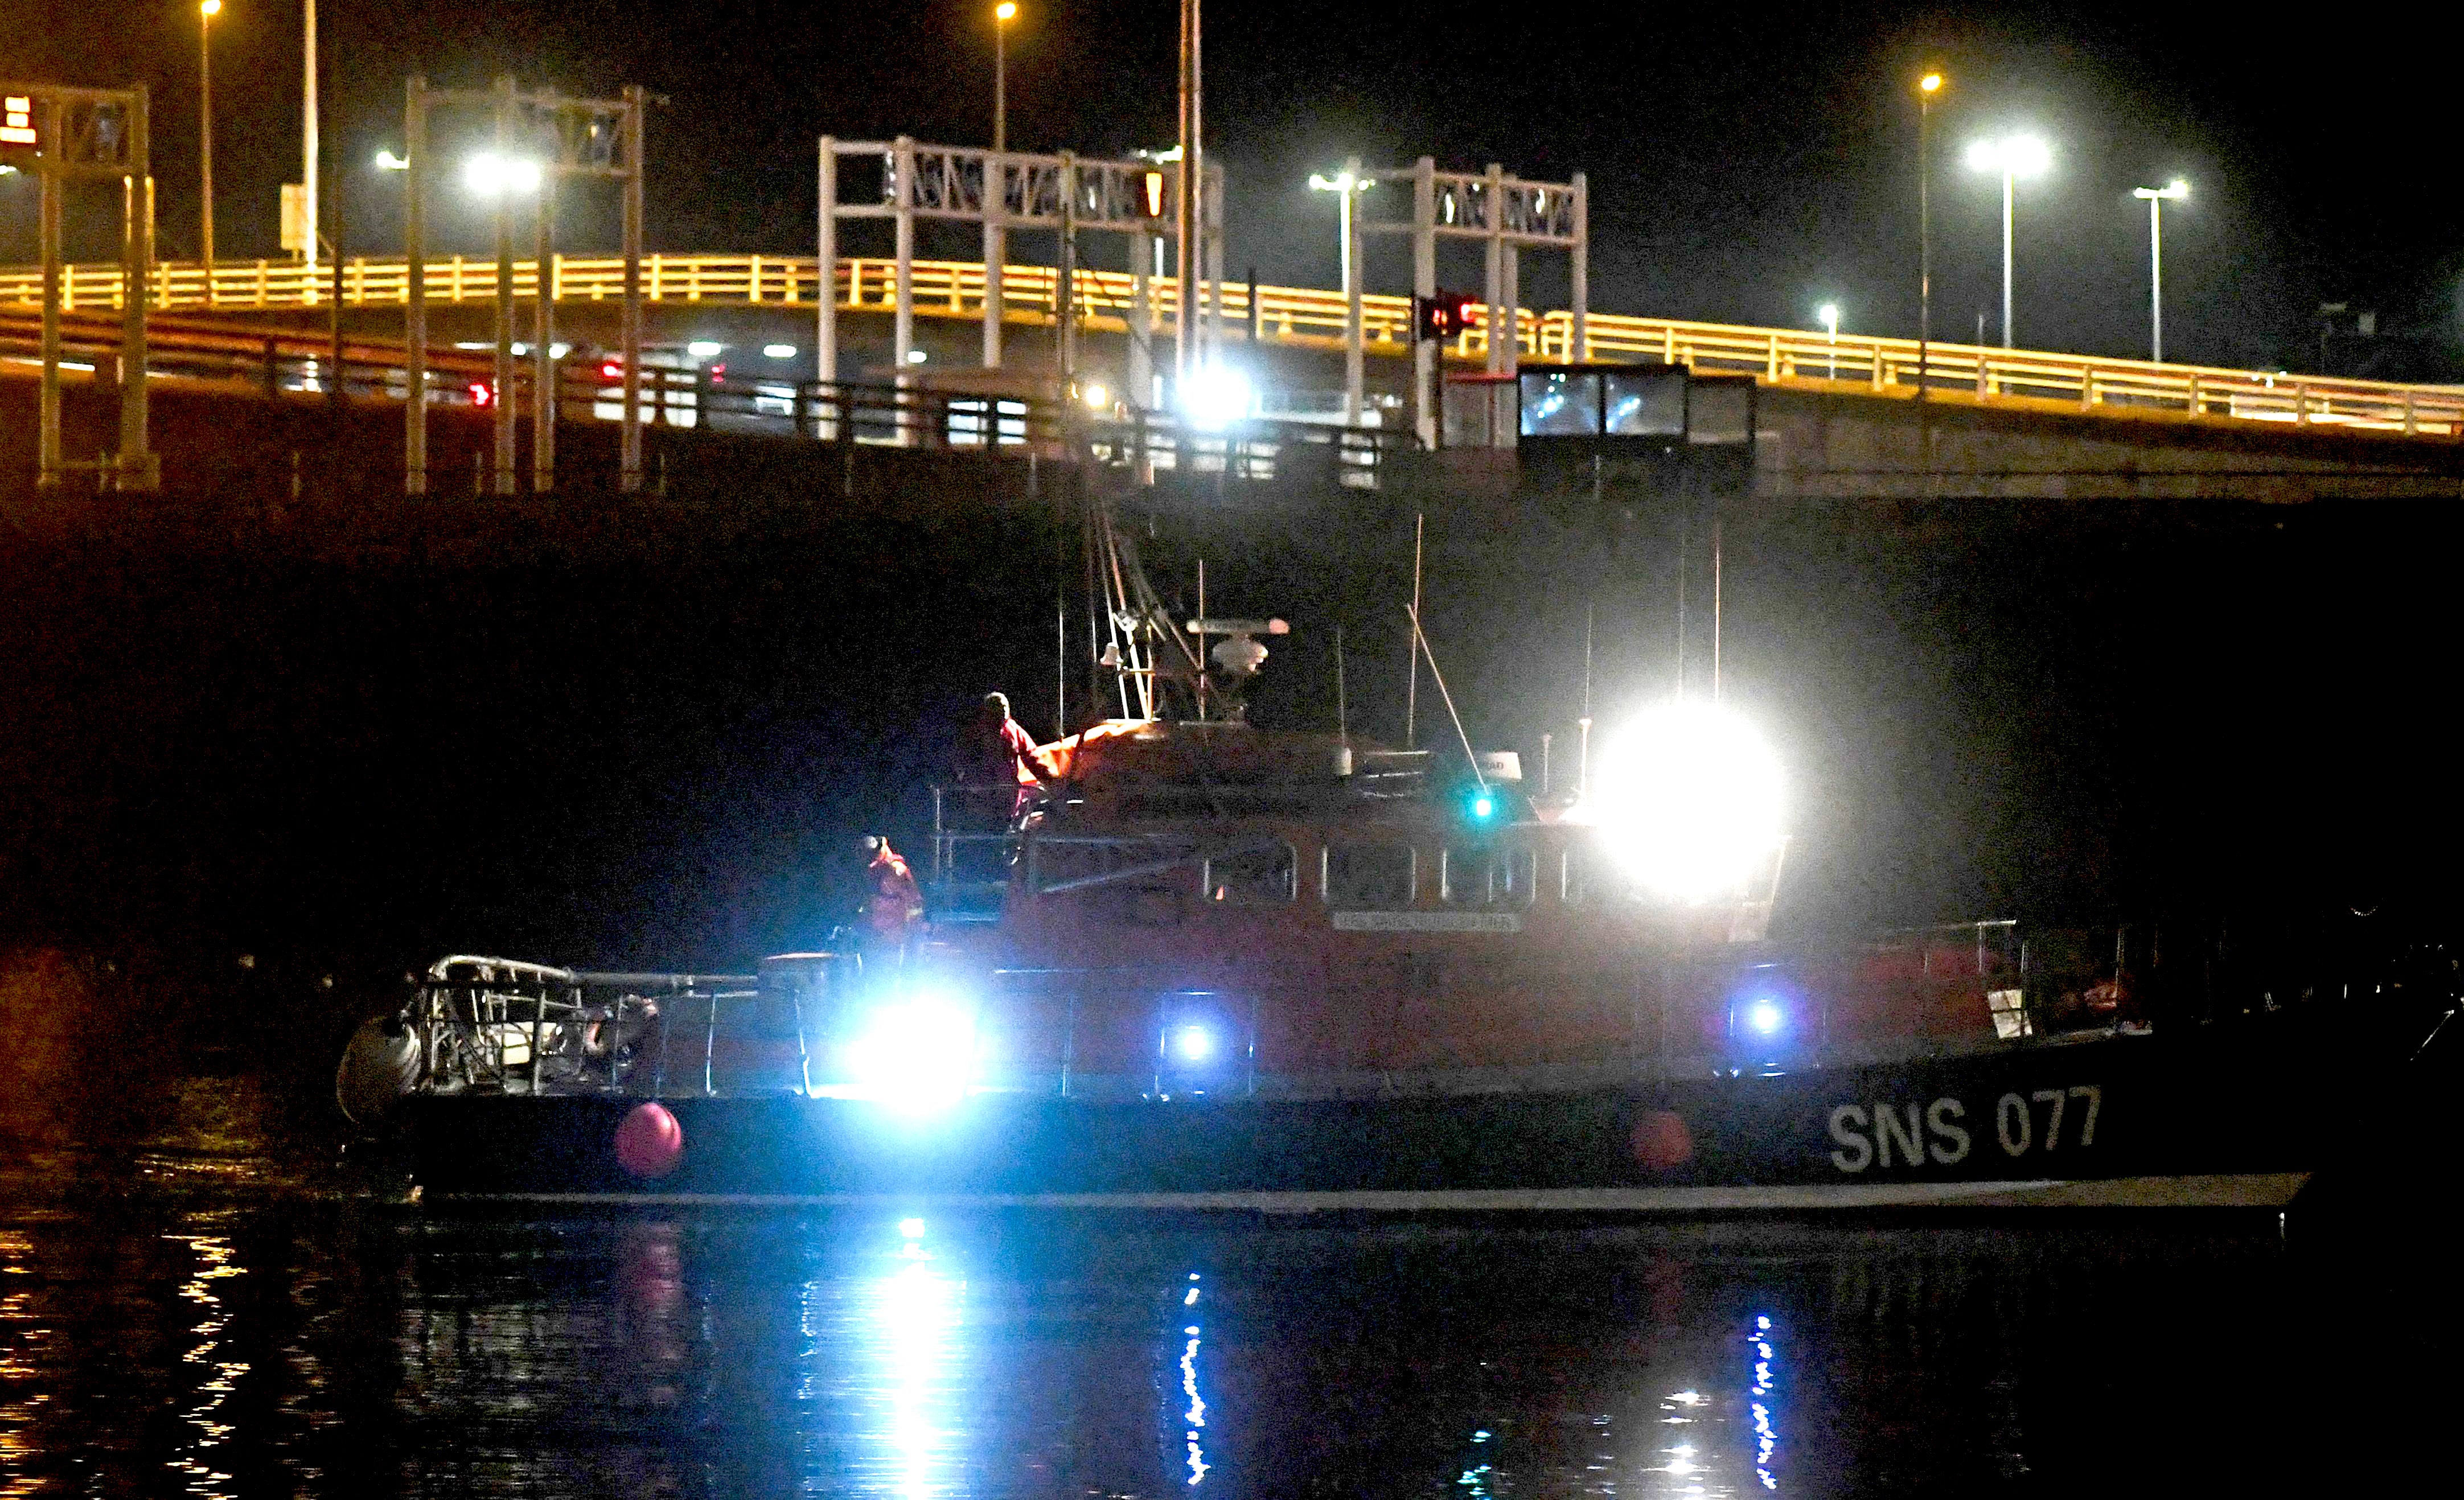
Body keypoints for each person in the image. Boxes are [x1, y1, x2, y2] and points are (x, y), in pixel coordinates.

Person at [954, 691, 1049, 825]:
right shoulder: (976, 731)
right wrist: (967, 780)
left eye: (1005, 706)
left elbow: (1032, 757)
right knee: (981, 829)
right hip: (981, 794)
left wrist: (1048, 779)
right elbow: (961, 758)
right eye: (999, 706)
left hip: (1007, 794)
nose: (1003, 710)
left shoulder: (1014, 730)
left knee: (1006, 829)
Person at [856, 835, 923, 971]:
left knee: (888, 976)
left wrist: (913, 932)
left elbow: (913, 903)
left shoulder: (897, 870)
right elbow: (867, 903)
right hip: (873, 935)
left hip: (893, 935)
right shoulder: (873, 871)